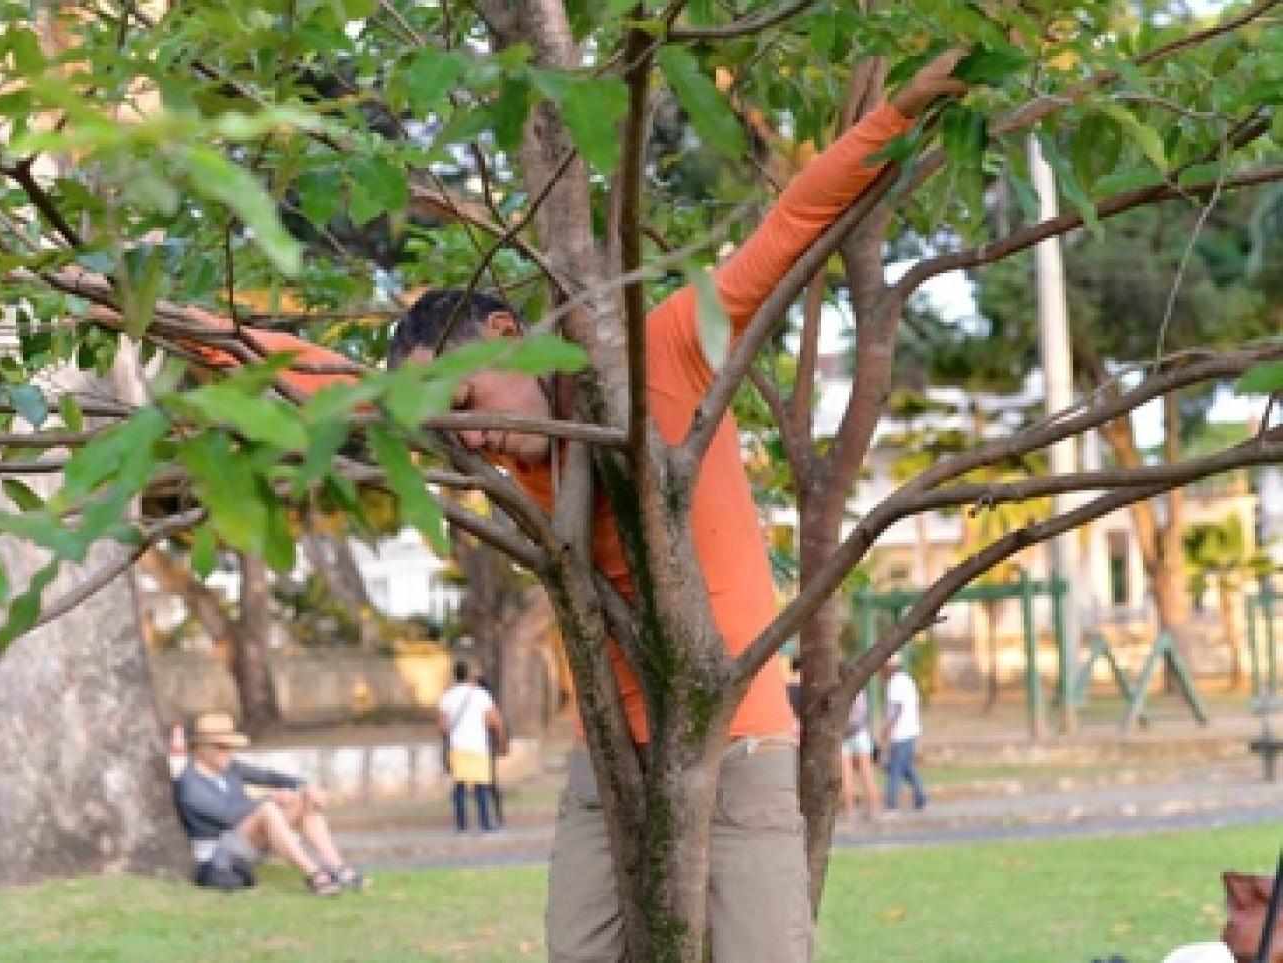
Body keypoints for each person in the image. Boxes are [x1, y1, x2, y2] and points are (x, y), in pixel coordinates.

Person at [183, 49, 968, 961]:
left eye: (468, 407)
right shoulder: (505, 451)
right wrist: (170, 320)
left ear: (508, 338)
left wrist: (903, 109)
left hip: (745, 750)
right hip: (610, 768)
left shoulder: (665, 346)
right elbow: (316, 378)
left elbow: (791, 222)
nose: (467, 443)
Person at [172, 711, 364, 895]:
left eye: (231, 746)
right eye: (222, 747)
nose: (229, 752)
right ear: (202, 749)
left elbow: (268, 776)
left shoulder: (230, 768)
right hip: (220, 852)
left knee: (306, 800)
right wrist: (271, 799)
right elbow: (227, 815)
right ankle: (314, 874)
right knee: (267, 809)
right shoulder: (190, 783)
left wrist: (306, 786)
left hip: (248, 836)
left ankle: (339, 868)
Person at [438, 661, 506, 832]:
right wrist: (501, 741)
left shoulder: (447, 696)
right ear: (468, 675)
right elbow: (495, 720)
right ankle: (484, 823)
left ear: (454, 675)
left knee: (459, 786)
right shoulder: (481, 695)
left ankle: (461, 825)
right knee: (481, 786)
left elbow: (442, 727)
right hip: (478, 745)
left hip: (457, 746)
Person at [880, 659, 928, 812]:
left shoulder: (895, 683)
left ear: (890, 667)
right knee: (906, 767)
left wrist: (886, 729)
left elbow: (896, 709)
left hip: (901, 733)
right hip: (910, 730)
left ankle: (891, 805)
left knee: (895, 769)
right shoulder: (907, 680)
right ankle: (921, 798)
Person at [840, 688, 880, 821]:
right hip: (860, 733)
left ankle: (850, 812)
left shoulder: (837, 690)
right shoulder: (859, 690)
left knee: (846, 776)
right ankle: (874, 809)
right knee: (867, 773)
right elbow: (863, 713)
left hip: (843, 736)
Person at [477, 674, 510, 828]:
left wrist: (502, 744)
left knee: (487, 782)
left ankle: (492, 816)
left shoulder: (484, 702)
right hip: (486, 746)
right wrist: (503, 746)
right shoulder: (489, 702)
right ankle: (496, 815)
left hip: (484, 746)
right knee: (490, 783)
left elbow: (499, 726)